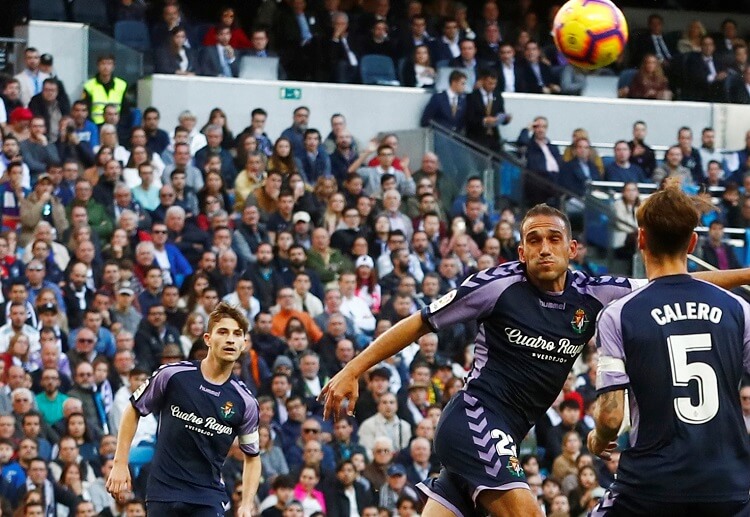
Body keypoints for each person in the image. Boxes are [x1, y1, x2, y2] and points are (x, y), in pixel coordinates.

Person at [320, 202, 750, 517]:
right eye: (533, 240)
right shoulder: (495, 286)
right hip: (475, 420)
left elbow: (680, 282)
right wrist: (352, 369)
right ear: (521, 251)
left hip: (507, 432)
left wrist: (747, 275)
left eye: (554, 239)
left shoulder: (594, 294)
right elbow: (419, 322)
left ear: (572, 248)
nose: (544, 248)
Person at [588, 185, 750, 515]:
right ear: (692, 244)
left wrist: (597, 438)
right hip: (729, 488)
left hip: (650, 489)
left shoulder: (619, 314)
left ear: (641, 239)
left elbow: (611, 415)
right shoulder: (738, 309)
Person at [106, 302, 262, 516]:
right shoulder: (172, 375)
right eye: (223, 332)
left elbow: (252, 456)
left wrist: (246, 503)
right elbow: (133, 410)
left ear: (244, 344)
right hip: (164, 492)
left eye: (237, 334)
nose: (230, 339)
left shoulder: (246, 401)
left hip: (208, 496)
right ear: (208, 339)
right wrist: (120, 463)